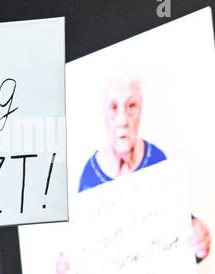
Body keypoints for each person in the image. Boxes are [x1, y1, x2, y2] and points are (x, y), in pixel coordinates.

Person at [76, 76, 209, 260]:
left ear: (141, 110)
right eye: (113, 107)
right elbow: (83, 252)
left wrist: (198, 238)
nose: (123, 120)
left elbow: (179, 234)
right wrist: (67, 268)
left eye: (131, 106)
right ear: (103, 115)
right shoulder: (89, 176)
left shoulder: (156, 159)